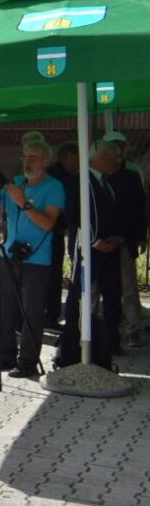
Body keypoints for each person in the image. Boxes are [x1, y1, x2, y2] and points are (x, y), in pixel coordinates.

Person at [0, 140, 64, 378]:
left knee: (32, 311)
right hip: (10, 253)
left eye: (34, 158)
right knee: (3, 306)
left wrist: (24, 203)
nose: (27, 161)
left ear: (46, 161)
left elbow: (49, 222)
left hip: (38, 259)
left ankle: (27, 362)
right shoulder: (17, 183)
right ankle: (4, 356)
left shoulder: (54, 187)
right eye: (25, 156)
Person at [56, 141, 135, 370]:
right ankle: (73, 337)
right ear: (101, 157)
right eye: (114, 157)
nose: (117, 162)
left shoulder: (108, 181)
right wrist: (95, 241)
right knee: (79, 292)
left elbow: (117, 214)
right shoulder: (78, 181)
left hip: (110, 249)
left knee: (113, 293)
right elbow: (74, 216)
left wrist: (119, 237)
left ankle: (111, 341)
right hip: (87, 249)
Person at [105, 132, 147, 348]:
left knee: (129, 287)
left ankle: (134, 329)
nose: (117, 150)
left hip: (125, 239)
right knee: (97, 288)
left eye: (120, 146)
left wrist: (140, 237)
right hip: (101, 241)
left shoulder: (132, 173)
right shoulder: (97, 174)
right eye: (113, 146)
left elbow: (139, 208)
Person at [45, 141, 81, 323]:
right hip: (49, 231)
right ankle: (49, 314)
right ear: (68, 157)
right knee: (50, 275)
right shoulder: (56, 176)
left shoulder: (69, 175)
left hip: (58, 231)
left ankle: (52, 313)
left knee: (55, 274)